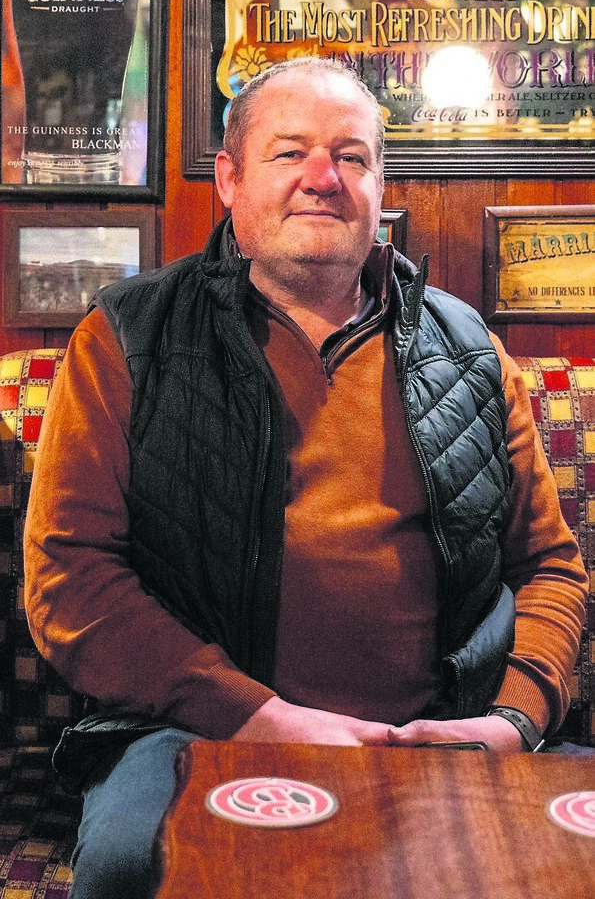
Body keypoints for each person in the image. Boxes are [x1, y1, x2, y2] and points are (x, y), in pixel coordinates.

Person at [24, 57, 588, 898]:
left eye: (351, 156)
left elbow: (548, 567)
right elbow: (69, 578)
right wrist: (261, 719)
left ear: (377, 183)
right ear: (229, 178)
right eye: (290, 153)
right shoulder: (128, 338)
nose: (323, 178)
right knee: (129, 871)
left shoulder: (468, 347)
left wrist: (507, 722)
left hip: (450, 735)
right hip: (198, 732)